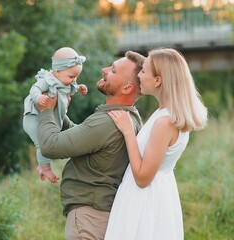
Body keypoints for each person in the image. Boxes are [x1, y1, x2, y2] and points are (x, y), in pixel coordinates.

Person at [36, 51, 146, 239]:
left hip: (89, 218)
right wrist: (59, 113)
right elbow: (83, 138)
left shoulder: (106, 122)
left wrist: (46, 111)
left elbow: (50, 146)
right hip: (100, 213)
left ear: (127, 88)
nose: (104, 70)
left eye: (113, 70)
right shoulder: (129, 116)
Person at [105, 48, 208, 240]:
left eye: (143, 71)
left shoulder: (165, 122)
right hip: (155, 195)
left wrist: (128, 132)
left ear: (158, 81)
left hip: (146, 201)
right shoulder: (164, 114)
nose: (139, 76)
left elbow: (143, 178)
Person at [23, 47, 88, 183]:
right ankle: (46, 169)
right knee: (42, 143)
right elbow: (34, 88)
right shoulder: (47, 80)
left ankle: (41, 166)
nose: (73, 80)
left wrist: (79, 88)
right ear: (57, 72)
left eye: (76, 77)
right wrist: (38, 97)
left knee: (54, 136)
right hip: (33, 117)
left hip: (50, 115)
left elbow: (69, 88)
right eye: (72, 77)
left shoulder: (64, 80)